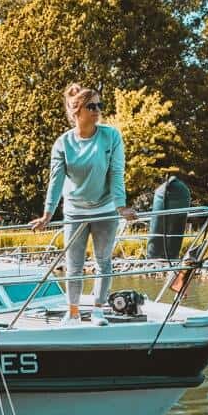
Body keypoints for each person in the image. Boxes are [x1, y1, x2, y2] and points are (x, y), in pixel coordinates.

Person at [28, 84, 136, 318]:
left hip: (106, 209)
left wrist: (121, 206)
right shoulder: (63, 143)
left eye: (99, 105)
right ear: (77, 110)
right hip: (75, 211)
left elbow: (116, 172)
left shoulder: (111, 136)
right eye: (91, 106)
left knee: (103, 262)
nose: (97, 110)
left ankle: (98, 310)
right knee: (74, 265)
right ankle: (73, 311)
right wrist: (47, 215)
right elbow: (55, 182)